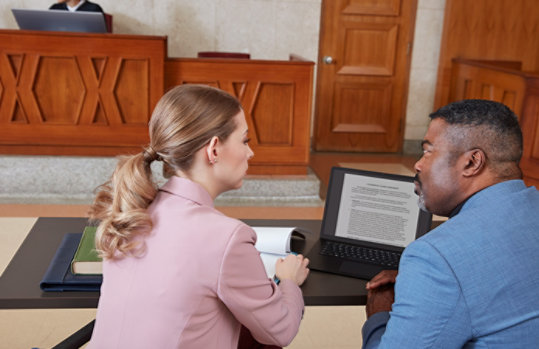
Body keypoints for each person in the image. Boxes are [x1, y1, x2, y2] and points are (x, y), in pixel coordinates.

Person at [87, 84, 310, 348]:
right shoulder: (227, 236)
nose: (250, 152)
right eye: (245, 140)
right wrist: (288, 281)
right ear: (214, 149)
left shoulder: (132, 211)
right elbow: (280, 331)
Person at [362, 99, 539, 348]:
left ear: (472, 162)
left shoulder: (435, 256)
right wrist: (427, 284)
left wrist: (380, 315)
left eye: (428, 151)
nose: (418, 164)